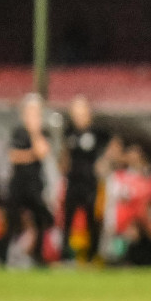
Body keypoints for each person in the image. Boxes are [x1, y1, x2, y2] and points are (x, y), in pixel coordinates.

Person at [60, 96, 110, 264]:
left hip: (90, 182)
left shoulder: (97, 132)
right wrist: (63, 165)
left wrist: (104, 162)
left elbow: (112, 145)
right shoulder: (69, 131)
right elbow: (65, 152)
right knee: (68, 218)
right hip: (73, 181)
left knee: (92, 219)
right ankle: (65, 255)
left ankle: (92, 256)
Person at [6, 94, 53, 266]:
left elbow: (42, 151)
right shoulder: (18, 131)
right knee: (12, 217)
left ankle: (37, 256)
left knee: (41, 217)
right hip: (18, 181)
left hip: (35, 182)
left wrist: (35, 133)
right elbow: (13, 156)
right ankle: (8, 256)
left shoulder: (41, 132)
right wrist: (31, 154)